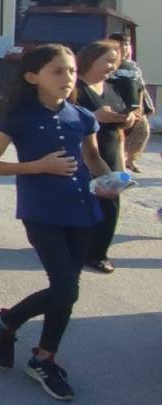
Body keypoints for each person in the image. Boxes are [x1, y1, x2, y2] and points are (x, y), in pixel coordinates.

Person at [0, 44, 116, 402]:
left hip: (82, 210)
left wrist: (110, 181)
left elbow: (92, 158)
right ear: (32, 76)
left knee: (67, 288)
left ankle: (44, 357)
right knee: (66, 288)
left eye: (70, 71)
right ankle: (6, 321)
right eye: (57, 71)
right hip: (42, 212)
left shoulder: (84, 117)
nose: (67, 78)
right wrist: (37, 166)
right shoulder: (17, 117)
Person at [75, 40, 131, 274]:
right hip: (86, 154)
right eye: (108, 60)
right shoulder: (75, 88)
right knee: (89, 204)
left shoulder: (111, 88)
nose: (112, 66)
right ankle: (86, 251)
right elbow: (68, 120)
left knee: (110, 205)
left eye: (115, 62)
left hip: (111, 150)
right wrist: (95, 117)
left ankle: (97, 252)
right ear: (91, 59)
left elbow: (122, 117)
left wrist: (127, 120)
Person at [107, 33, 151, 172]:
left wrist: (145, 105)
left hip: (136, 106)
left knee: (142, 132)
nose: (124, 48)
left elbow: (140, 86)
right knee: (119, 136)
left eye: (126, 45)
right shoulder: (109, 64)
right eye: (120, 45)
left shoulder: (133, 65)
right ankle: (118, 163)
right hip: (116, 107)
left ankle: (130, 160)